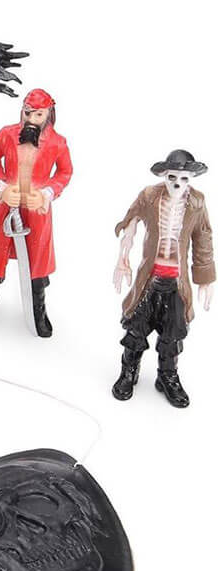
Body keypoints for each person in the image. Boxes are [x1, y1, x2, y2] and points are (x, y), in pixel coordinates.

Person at [0, 88, 73, 337]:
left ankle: (38, 309)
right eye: (27, 113)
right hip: (5, 206)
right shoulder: (6, 135)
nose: (31, 119)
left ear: (48, 115)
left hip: (36, 210)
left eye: (38, 114)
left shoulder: (58, 143)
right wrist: (1, 186)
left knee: (37, 263)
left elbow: (65, 172)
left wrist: (46, 193)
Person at [112, 149, 215, 407]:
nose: (177, 184)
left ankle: (167, 376)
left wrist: (205, 278)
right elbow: (131, 220)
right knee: (136, 329)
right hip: (149, 280)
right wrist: (122, 258)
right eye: (172, 177)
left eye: (184, 178)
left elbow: (203, 238)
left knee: (173, 334)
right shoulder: (150, 196)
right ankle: (129, 371)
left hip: (176, 284)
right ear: (164, 176)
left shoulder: (197, 203)